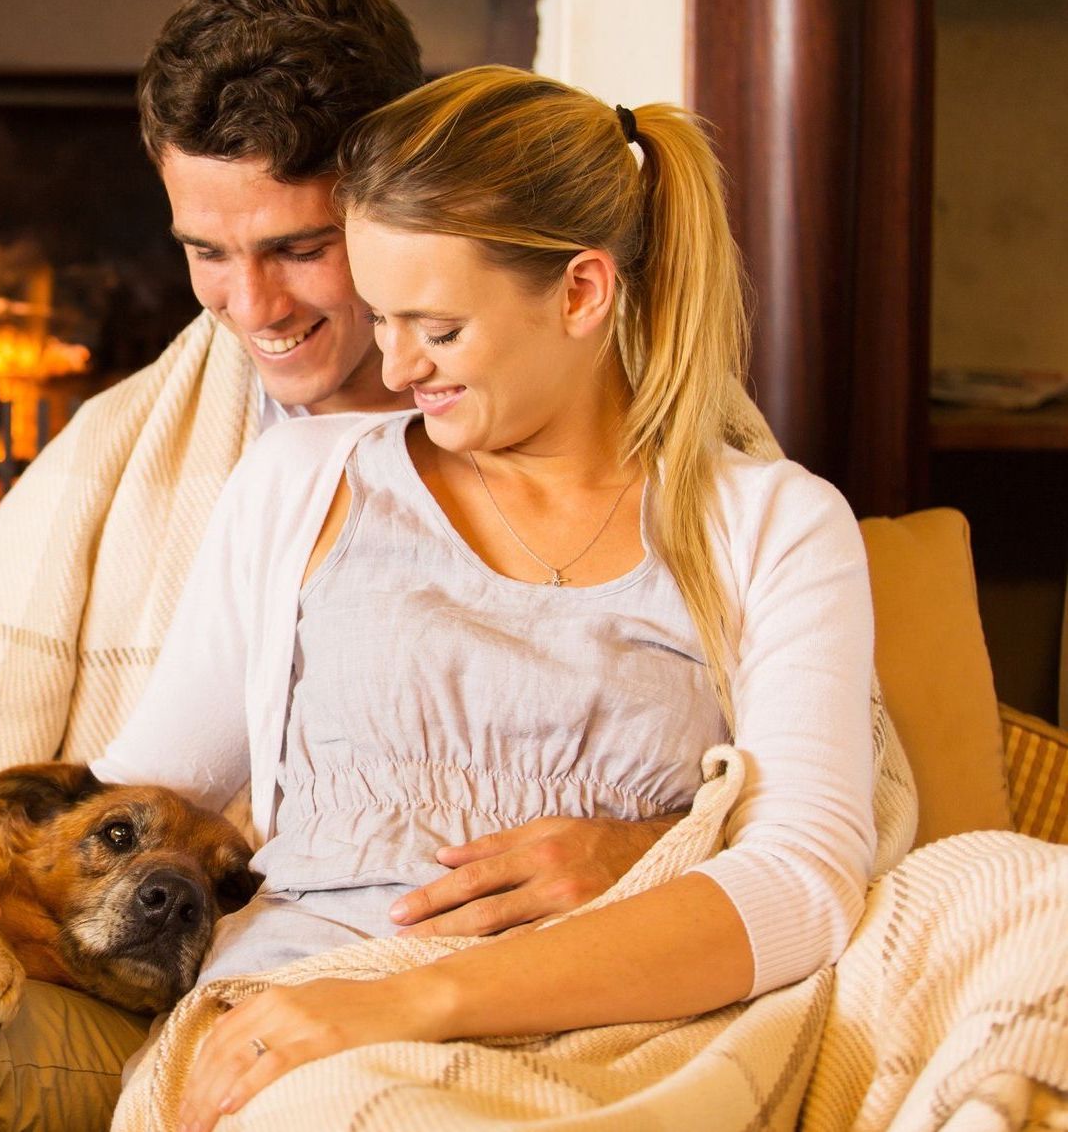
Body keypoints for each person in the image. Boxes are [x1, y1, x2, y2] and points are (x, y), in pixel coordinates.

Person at [0, 0, 688, 1131]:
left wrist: (638, 849)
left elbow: (813, 786)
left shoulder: (632, 441)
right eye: (208, 251)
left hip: (432, 980)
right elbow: (23, 747)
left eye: (303, 248)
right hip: (140, 975)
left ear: (401, 202)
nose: (255, 308)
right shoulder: (144, 446)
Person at [61, 65, 874, 1130]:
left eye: (437, 330)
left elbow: (805, 879)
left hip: (633, 1027)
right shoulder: (305, 479)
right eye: (382, 318)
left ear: (582, 291)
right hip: (312, 1026)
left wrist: (415, 1000)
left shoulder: (773, 524)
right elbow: (139, 790)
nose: (395, 368)